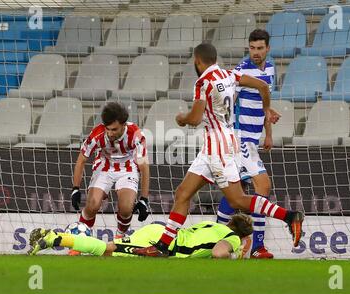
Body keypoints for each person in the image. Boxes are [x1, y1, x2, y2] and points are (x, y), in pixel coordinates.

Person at [133, 43, 304, 258]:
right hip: (217, 144)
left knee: (237, 200)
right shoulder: (230, 75)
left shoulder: (203, 82)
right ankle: (162, 246)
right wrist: (266, 108)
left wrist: (181, 119)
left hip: (218, 147)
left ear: (197, 61)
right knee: (183, 193)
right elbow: (262, 85)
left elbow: (195, 119)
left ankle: (290, 216)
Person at [217, 29, 276, 259]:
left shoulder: (270, 68)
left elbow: (266, 103)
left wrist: (268, 133)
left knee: (235, 195)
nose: (256, 53)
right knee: (262, 186)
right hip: (239, 139)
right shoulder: (242, 70)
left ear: (267, 48)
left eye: (260, 48)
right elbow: (228, 98)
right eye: (252, 48)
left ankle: (218, 237)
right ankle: (258, 247)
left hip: (253, 139)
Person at [70, 102, 150, 247]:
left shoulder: (137, 135)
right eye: (108, 129)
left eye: (114, 129)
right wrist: (75, 188)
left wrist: (144, 199)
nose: (110, 133)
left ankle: (119, 239)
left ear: (124, 124)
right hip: (104, 166)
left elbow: (144, 167)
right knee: (92, 205)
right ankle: (80, 242)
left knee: (126, 209)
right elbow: (81, 160)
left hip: (128, 168)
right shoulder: (97, 133)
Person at [27, 213, 254, 259]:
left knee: (110, 251)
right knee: (108, 249)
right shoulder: (232, 239)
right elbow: (218, 252)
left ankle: (56, 237)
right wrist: (233, 255)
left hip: (160, 232)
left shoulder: (211, 224)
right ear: (242, 236)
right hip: (162, 246)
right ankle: (54, 237)